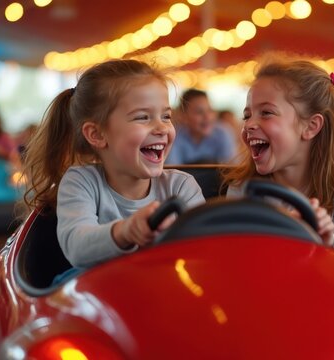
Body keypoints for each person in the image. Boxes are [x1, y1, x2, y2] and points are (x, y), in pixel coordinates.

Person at [21, 59, 205, 276]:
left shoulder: (181, 186)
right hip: (99, 293)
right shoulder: (81, 182)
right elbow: (76, 247)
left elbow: (204, 248)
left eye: (166, 116)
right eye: (143, 117)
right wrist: (125, 231)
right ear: (97, 134)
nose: (162, 127)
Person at [223, 57, 334, 260]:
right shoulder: (243, 187)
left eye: (266, 113)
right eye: (247, 115)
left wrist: (328, 240)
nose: (249, 124)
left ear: (311, 126)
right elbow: (229, 254)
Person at [166, 89, 236, 164]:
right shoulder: (175, 136)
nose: (207, 117)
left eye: (210, 110)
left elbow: (231, 169)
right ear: (184, 117)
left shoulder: (222, 133)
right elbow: (173, 170)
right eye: (199, 112)